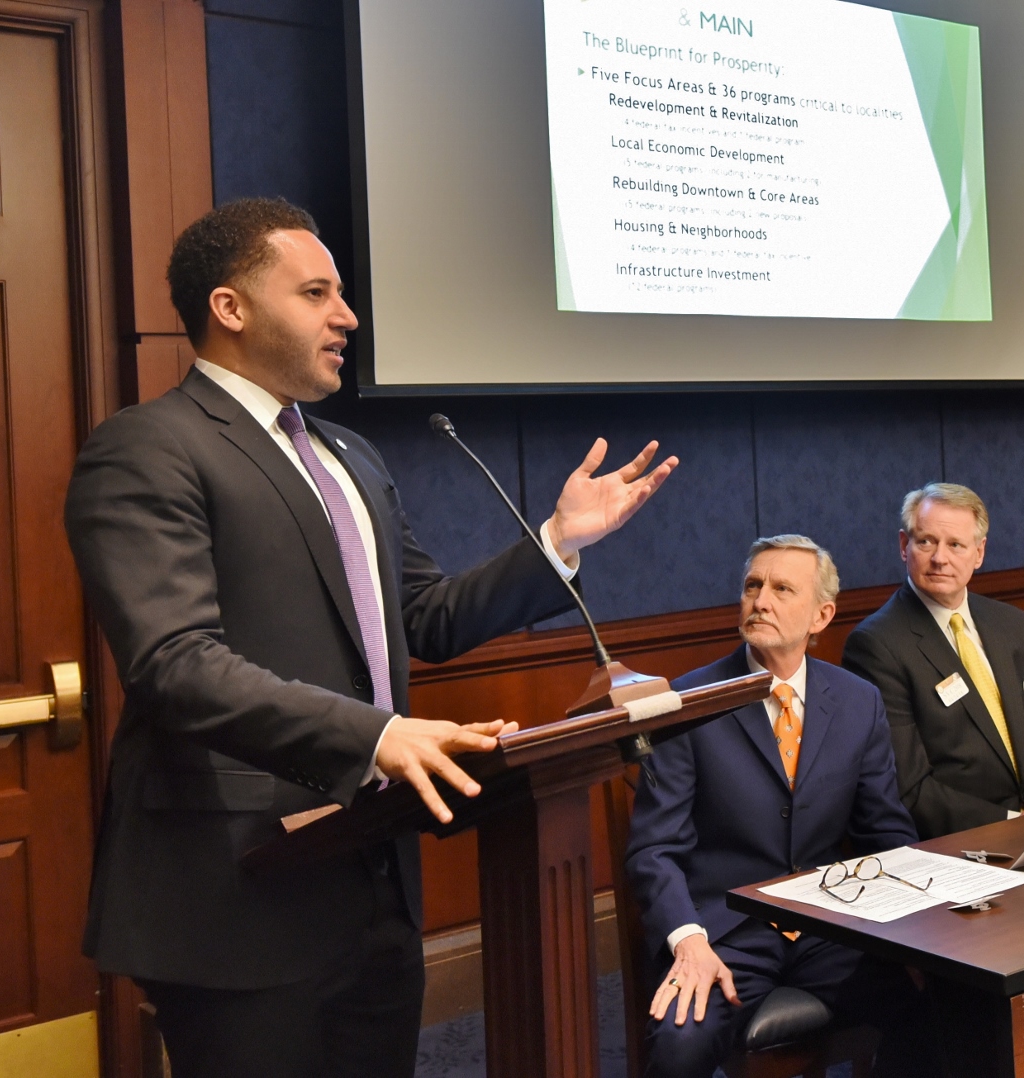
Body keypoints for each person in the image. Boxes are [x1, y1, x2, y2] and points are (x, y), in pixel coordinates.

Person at [63, 198, 676, 1078]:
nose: (347, 316)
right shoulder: (148, 449)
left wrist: (559, 543)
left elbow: (427, 618)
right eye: (316, 293)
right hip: (239, 891)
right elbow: (175, 665)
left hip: (371, 878)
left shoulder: (351, 455)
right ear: (229, 309)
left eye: (342, 294)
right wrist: (379, 736)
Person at [625, 535, 931, 1078]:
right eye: (752, 586)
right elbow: (654, 852)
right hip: (725, 931)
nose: (760, 600)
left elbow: (884, 831)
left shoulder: (858, 700)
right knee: (678, 1043)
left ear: (822, 615)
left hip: (827, 924)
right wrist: (688, 941)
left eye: (781, 589)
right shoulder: (686, 705)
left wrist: (931, 912)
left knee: (944, 1009)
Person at [842, 483, 1024, 839]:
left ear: (979, 552)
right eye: (926, 541)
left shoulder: (1016, 626)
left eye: (955, 544)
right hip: (960, 842)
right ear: (903, 546)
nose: (940, 558)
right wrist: (1015, 824)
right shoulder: (876, 645)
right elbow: (909, 788)